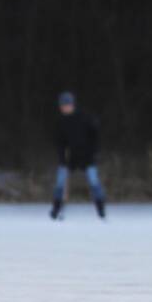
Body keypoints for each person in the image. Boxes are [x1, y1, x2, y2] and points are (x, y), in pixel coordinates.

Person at [51, 91, 106, 220]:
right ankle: (56, 208)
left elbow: (95, 135)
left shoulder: (84, 117)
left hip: (86, 155)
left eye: (67, 105)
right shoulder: (61, 121)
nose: (65, 108)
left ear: (73, 105)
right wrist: (62, 157)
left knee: (93, 181)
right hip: (69, 156)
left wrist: (93, 152)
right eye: (63, 106)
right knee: (60, 182)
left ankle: (101, 208)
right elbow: (59, 142)